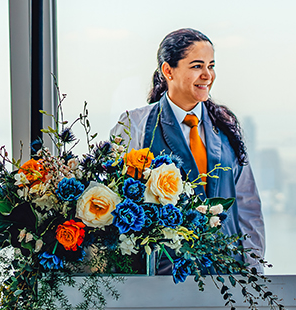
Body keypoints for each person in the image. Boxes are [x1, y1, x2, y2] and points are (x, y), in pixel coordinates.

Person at [113, 27, 265, 263]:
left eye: (211, 66)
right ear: (168, 71)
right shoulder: (135, 125)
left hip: (226, 274)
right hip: (162, 275)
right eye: (197, 66)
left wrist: (253, 270)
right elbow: (115, 201)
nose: (207, 75)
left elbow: (247, 205)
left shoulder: (225, 127)